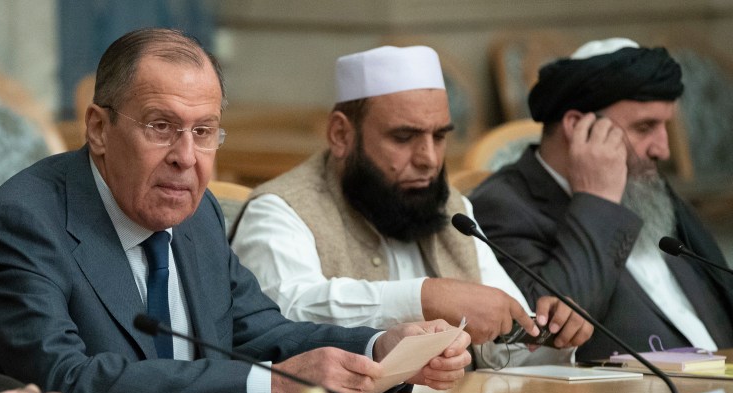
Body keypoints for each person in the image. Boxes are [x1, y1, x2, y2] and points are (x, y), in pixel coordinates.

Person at [0, 28, 471, 393]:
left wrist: (378, 349)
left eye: (204, 132)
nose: (186, 158)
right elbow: (65, 381)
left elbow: (258, 331)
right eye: (161, 127)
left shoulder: (195, 211)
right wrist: (266, 385)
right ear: (98, 128)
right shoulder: (25, 221)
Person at [231, 45, 592, 367]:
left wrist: (554, 335)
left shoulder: (453, 209)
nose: (429, 159)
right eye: (404, 138)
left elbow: (503, 348)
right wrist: (423, 298)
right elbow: (283, 312)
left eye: (439, 137)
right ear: (341, 135)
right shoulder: (281, 208)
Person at [469, 38, 733, 360]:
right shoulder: (502, 208)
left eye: (666, 126)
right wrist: (597, 200)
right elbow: (547, 334)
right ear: (579, 126)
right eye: (645, 127)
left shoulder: (648, 192)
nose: (663, 149)